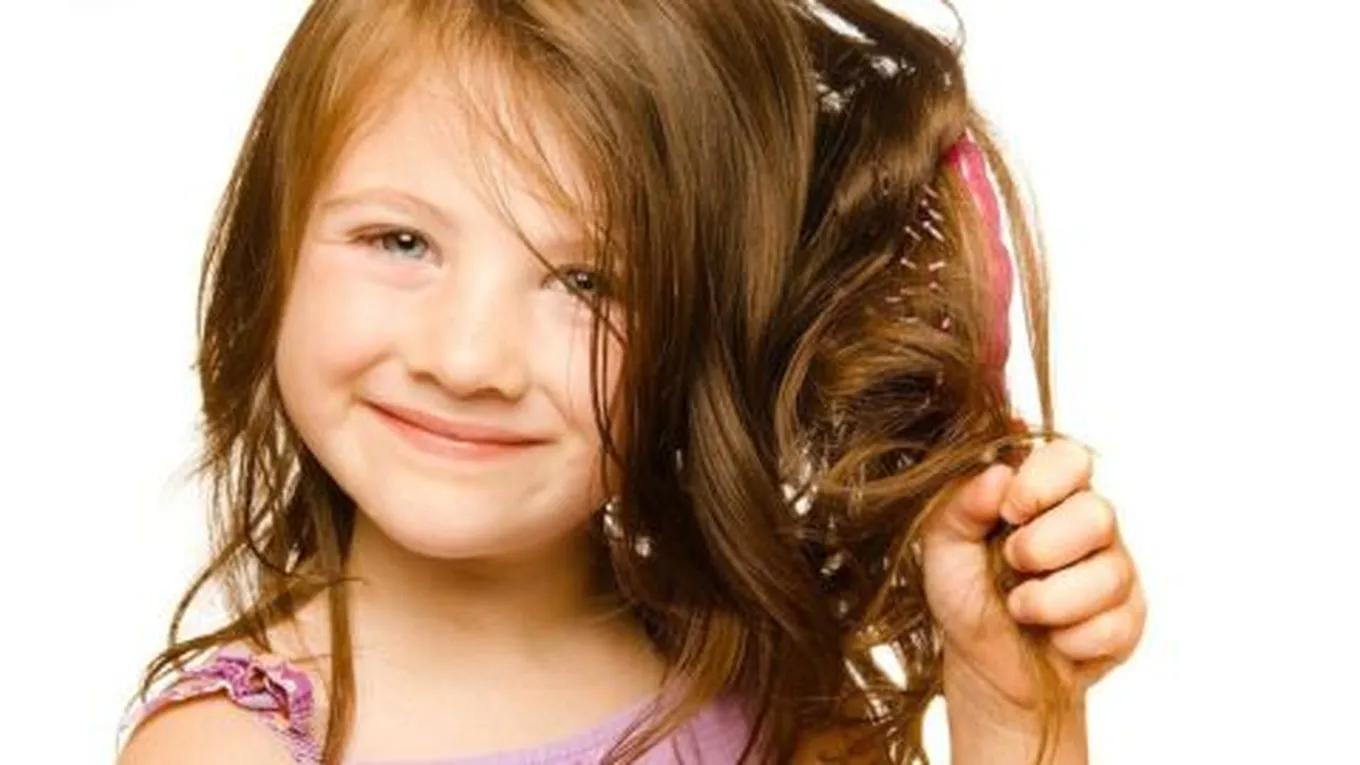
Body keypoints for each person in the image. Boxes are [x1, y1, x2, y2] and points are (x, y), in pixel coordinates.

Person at [116, 1, 1146, 763]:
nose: (466, 360)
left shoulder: (760, 689)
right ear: (274, 247)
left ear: (705, 330)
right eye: (401, 240)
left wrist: (1013, 710)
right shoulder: (228, 747)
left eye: (586, 282)